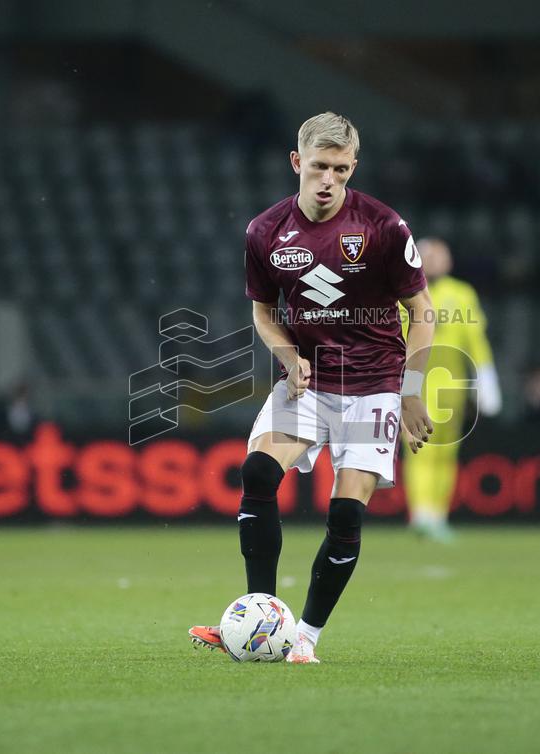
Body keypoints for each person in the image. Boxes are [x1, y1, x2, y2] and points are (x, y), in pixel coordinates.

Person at [188, 112, 435, 664]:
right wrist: (287, 354)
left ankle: (304, 638)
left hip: (374, 386)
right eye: (320, 167)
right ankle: (259, 617)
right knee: (257, 472)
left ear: (353, 168)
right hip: (310, 381)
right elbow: (263, 313)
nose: (329, 180)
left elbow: (422, 311)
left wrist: (411, 390)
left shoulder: (383, 226)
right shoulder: (265, 231)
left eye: (341, 170)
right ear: (297, 162)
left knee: (346, 513)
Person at [401, 238, 501, 542]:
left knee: (447, 452)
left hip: (453, 387)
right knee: (421, 449)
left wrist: (485, 377)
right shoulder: (403, 292)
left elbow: (476, 339)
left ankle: (438, 515)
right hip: (417, 385)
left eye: (440, 255)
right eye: (429, 255)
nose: (435, 261)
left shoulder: (462, 293)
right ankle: (421, 514)